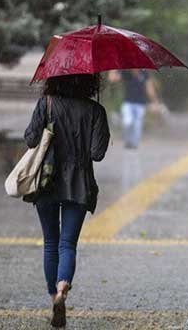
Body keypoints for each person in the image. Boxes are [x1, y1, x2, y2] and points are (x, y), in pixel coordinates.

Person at [24, 74, 110, 328]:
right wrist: (100, 124)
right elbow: (98, 153)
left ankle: (54, 298)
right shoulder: (95, 110)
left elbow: (30, 139)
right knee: (67, 243)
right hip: (79, 184)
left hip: (46, 181)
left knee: (51, 242)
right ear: (89, 82)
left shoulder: (46, 103)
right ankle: (63, 288)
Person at [118, 70, 157, 149]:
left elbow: (149, 88)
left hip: (140, 104)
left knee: (137, 125)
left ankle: (134, 143)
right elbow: (113, 79)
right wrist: (114, 67)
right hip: (128, 103)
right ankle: (128, 140)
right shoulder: (126, 72)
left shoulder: (145, 73)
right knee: (127, 122)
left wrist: (154, 101)